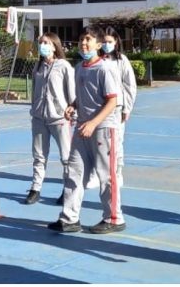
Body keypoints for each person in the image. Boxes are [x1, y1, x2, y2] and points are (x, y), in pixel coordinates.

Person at [48, 26, 125, 234]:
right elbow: (82, 97)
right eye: (82, 39)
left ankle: (114, 218)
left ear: (98, 45)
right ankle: (69, 218)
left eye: (88, 40)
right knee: (74, 172)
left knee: (107, 175)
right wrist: (73, 105)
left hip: (103, 128)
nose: (84, 43)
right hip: (82, 128)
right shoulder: (80, 68)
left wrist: (93, 123)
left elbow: (112, 101)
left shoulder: (105, 69)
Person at [26, 32, 75, 205]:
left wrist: (72, 110)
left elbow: (72, 93)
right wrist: (34, 109)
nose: (43, 46)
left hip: (59, 118)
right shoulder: (38, 67)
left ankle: (68, 190)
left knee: (66, 157)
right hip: (39, 118)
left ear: (54, 45)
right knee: (39, 156)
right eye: (40, 43)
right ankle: (35, 188)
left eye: (46, 42)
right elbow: (34, 91)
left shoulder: (64, 66)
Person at [100, 26, 137, 187]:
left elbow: (130, 85)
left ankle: (118, 170)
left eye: (109, 41)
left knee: (116, 141)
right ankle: (101, 171)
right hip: (99, 108)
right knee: (100, 142)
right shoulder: (97, 60)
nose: (106, 44)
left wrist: (127, 108)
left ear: (116, 42)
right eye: (103, 42)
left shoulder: (121, 60)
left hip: (116, 108)